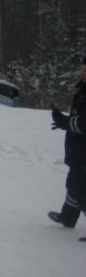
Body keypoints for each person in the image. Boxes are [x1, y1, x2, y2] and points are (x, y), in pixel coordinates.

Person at [48, 55, 86, 242]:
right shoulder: (82, 90)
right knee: (73, 184)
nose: (83, 71)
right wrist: (63, 121)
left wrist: (65, 121)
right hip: (78, 151)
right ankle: (68, 217)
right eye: (83, 68)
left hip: (84, 151)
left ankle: (69, 217)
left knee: (81, 189)